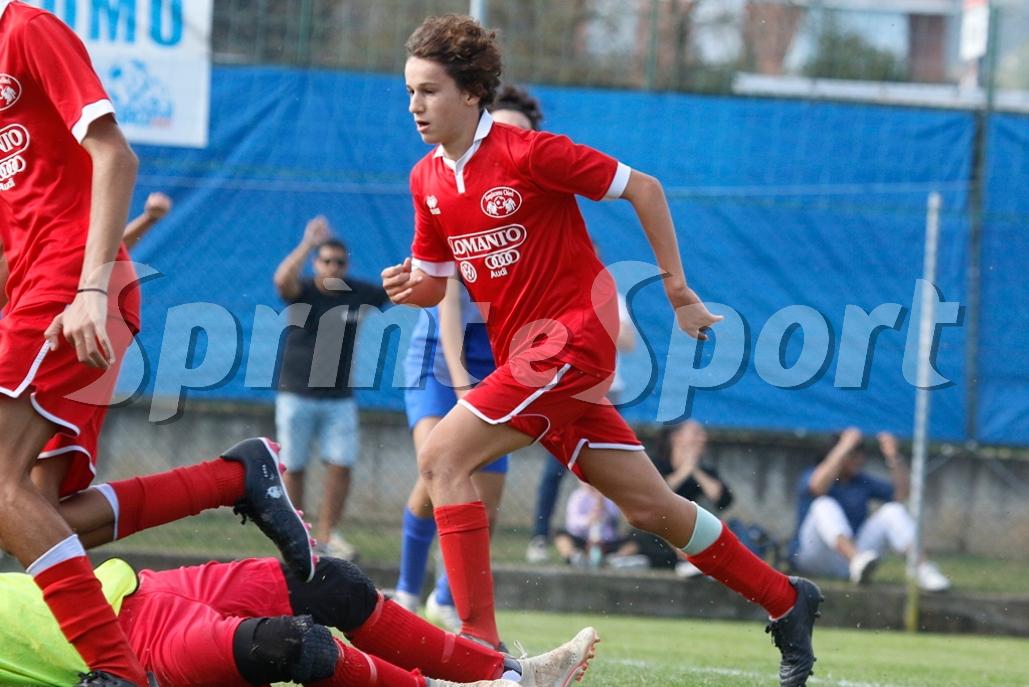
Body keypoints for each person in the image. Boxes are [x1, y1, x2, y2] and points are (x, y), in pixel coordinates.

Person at [382, 15, 821, 686]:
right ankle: (786, 600)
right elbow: (434, 286)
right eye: (410, 91)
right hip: (530, 364)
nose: (415, 105)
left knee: (442, 456)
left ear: (470, 92)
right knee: (651, 508)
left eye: (429, 90)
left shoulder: (529, 153)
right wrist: (406, 287)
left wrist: (676, 289)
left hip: (571, 344)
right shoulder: (427, 180)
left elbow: (645, 187)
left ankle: (479, 652)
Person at [0, 5, 314, 686]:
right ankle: (235, 477)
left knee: (4, 488)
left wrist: (89, 288)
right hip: (45, 295)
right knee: (38, 514)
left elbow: (116, 154)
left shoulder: (24, 29)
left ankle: (117, 669)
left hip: (70, 294)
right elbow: (11, 246)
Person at [394, 84, 544, 632]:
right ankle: (406, 590)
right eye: (497, 132)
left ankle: (447, 598)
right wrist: (463, 386)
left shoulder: (540, 213)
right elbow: (450, 306)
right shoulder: (456, 199)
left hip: (497, 361)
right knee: (439, 467)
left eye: (518, 136)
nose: (505, 145)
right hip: (440, 358)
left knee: (488, 499)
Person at [0, 554, 598, 687]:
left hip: (131, 588)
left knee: (330, 582)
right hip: (124, 652)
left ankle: (510, 674)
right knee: (291, 645)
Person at [273, 215, 389, 561]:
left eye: (339, 262)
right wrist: (307, 243)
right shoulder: (303, 291)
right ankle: (299, 535)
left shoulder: (359, 292)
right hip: (296, 394)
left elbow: (399, 292)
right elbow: (281, 280)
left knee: (342, 464)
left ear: (346, 265)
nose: (333, 267)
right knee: (293, 467)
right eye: (326, 261)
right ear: (316, 263)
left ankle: (327, 535)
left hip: (339, 398)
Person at [526, 250, 635, 565]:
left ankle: (612, 539)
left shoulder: (612, 298)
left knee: (616, 469)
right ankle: (540, 536)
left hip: (608, 394)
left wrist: (596, 316)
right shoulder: (558, 295)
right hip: (567, 393)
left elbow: (628, 342)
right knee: (555, 469)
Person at [789, 428, 950, 591]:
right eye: (854, 455)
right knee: (823, 504)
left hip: (847, 563)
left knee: (893, 510)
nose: (860, 460)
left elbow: (901, 494)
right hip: (812, 558)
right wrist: (845, 445)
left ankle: (922, 569)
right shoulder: (812, 474)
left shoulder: (860, 481)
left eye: (861, 454)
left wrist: (893, 456)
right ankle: (856, 560)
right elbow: (817, 487)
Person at [613, 420, 735, 574]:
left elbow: (722, 499)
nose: (702, 438)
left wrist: (694, 469)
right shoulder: (656, 464)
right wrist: (683, 471)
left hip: (690, 532)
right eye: (696, 434)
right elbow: (653, 495)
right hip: (660, 530)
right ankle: (630, 558)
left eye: (702, 434)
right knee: (644, 531)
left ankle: (683, 561)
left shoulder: (706, 470)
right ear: (676, 438)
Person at [553, 484, 625, 567]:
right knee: (560, 535)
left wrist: (603, 505)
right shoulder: (578, 496)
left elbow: (616, 517)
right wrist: (587, 520)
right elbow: (572, 522)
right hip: (583, 540)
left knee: (633, 539)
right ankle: (573, 557)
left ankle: (616, 559)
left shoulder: (609, 496)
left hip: (607, 541)